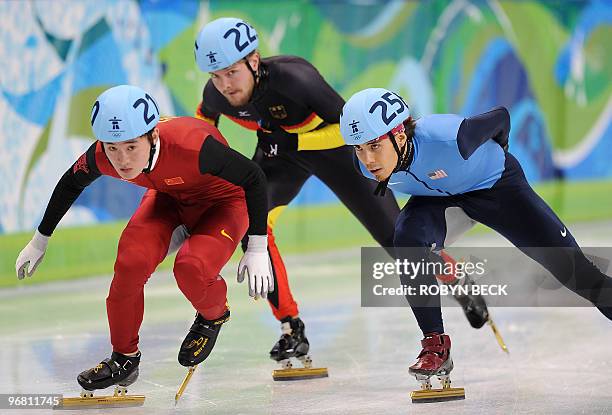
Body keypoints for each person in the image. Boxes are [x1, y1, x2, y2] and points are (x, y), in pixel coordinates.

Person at [192, 17, 490, 370]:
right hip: (281, 156)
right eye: (215, 75)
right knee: (252, 228)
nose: (224, 85)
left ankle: (453, 276)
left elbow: (352, 130)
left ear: (253, 61)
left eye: (231, 72)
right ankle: (291, 327)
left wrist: (297, 140)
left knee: (399, 243)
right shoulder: (215, 94)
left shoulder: (295, 79)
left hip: (337, 152)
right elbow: (203, 124)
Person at [339, 87, 612, 393]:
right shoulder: (363, 165)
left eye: (374, 146)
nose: (367, 158)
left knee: (577, 274)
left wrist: (499, 152)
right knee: (406, 241)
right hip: (438, 201)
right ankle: (435, 346)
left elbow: (501, 118)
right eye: (359, 148)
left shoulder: (451, 138)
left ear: (400, 136)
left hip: (496, 188)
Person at [15, 85, 273, 395]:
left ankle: (213, 316)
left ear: (152, 136)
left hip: (223, 203)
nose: (122, 160)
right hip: (168, 198)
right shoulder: (102, 156)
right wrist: (40, 239)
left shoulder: (194, 145)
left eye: (131, 147)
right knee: (130, 263)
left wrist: (257, 245)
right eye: (112, 148)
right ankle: (124, 357)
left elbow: (253, 177)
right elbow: (71, 184)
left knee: (190, 267)